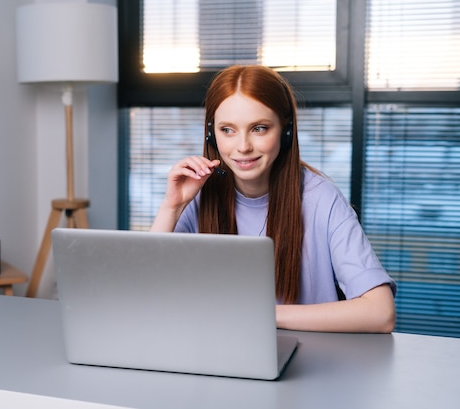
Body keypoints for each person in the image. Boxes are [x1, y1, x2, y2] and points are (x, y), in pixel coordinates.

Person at [151, 65, 396, 333]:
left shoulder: (321, 198)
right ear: (212, 133)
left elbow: (380, 312)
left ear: (285, 130)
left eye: (259, 128)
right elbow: (143, 299)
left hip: (309, 362)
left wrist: (263, 314)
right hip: (215, 357)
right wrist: (171, 206)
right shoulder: (198, 196)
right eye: (228, 130)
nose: (243, 146)